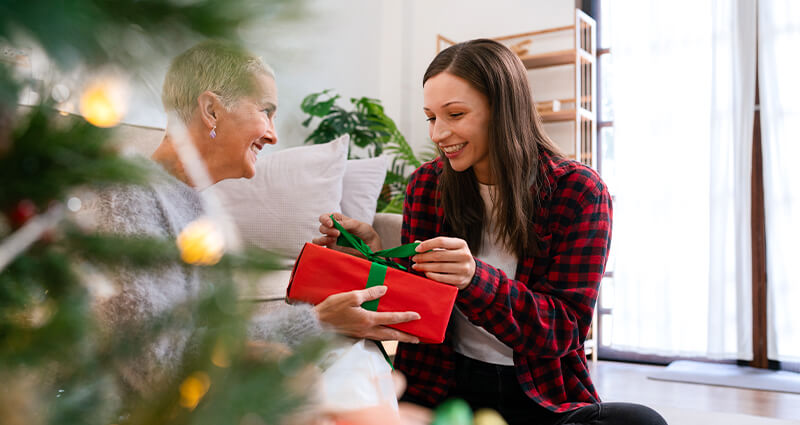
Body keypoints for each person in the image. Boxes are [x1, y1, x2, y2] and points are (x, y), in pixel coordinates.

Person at [316, 39, 667, 425]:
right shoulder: (426, 186)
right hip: (441, 388)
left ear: (503, 110)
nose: (438, 134)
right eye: (432, 117)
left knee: (640, 421)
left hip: (541, 395)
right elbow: (419, 309)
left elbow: (563, 330)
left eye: (455, 114)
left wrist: (474, 279)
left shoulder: (578, 191)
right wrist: (376, 257)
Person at [91, 40, 420, 399]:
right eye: (266, 111)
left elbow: (213, 337)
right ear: (212, 111)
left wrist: (325, 297)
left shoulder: (194, 207)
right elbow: (155, 365)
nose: (273, 134)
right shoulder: (127, 198)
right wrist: (318, 323)